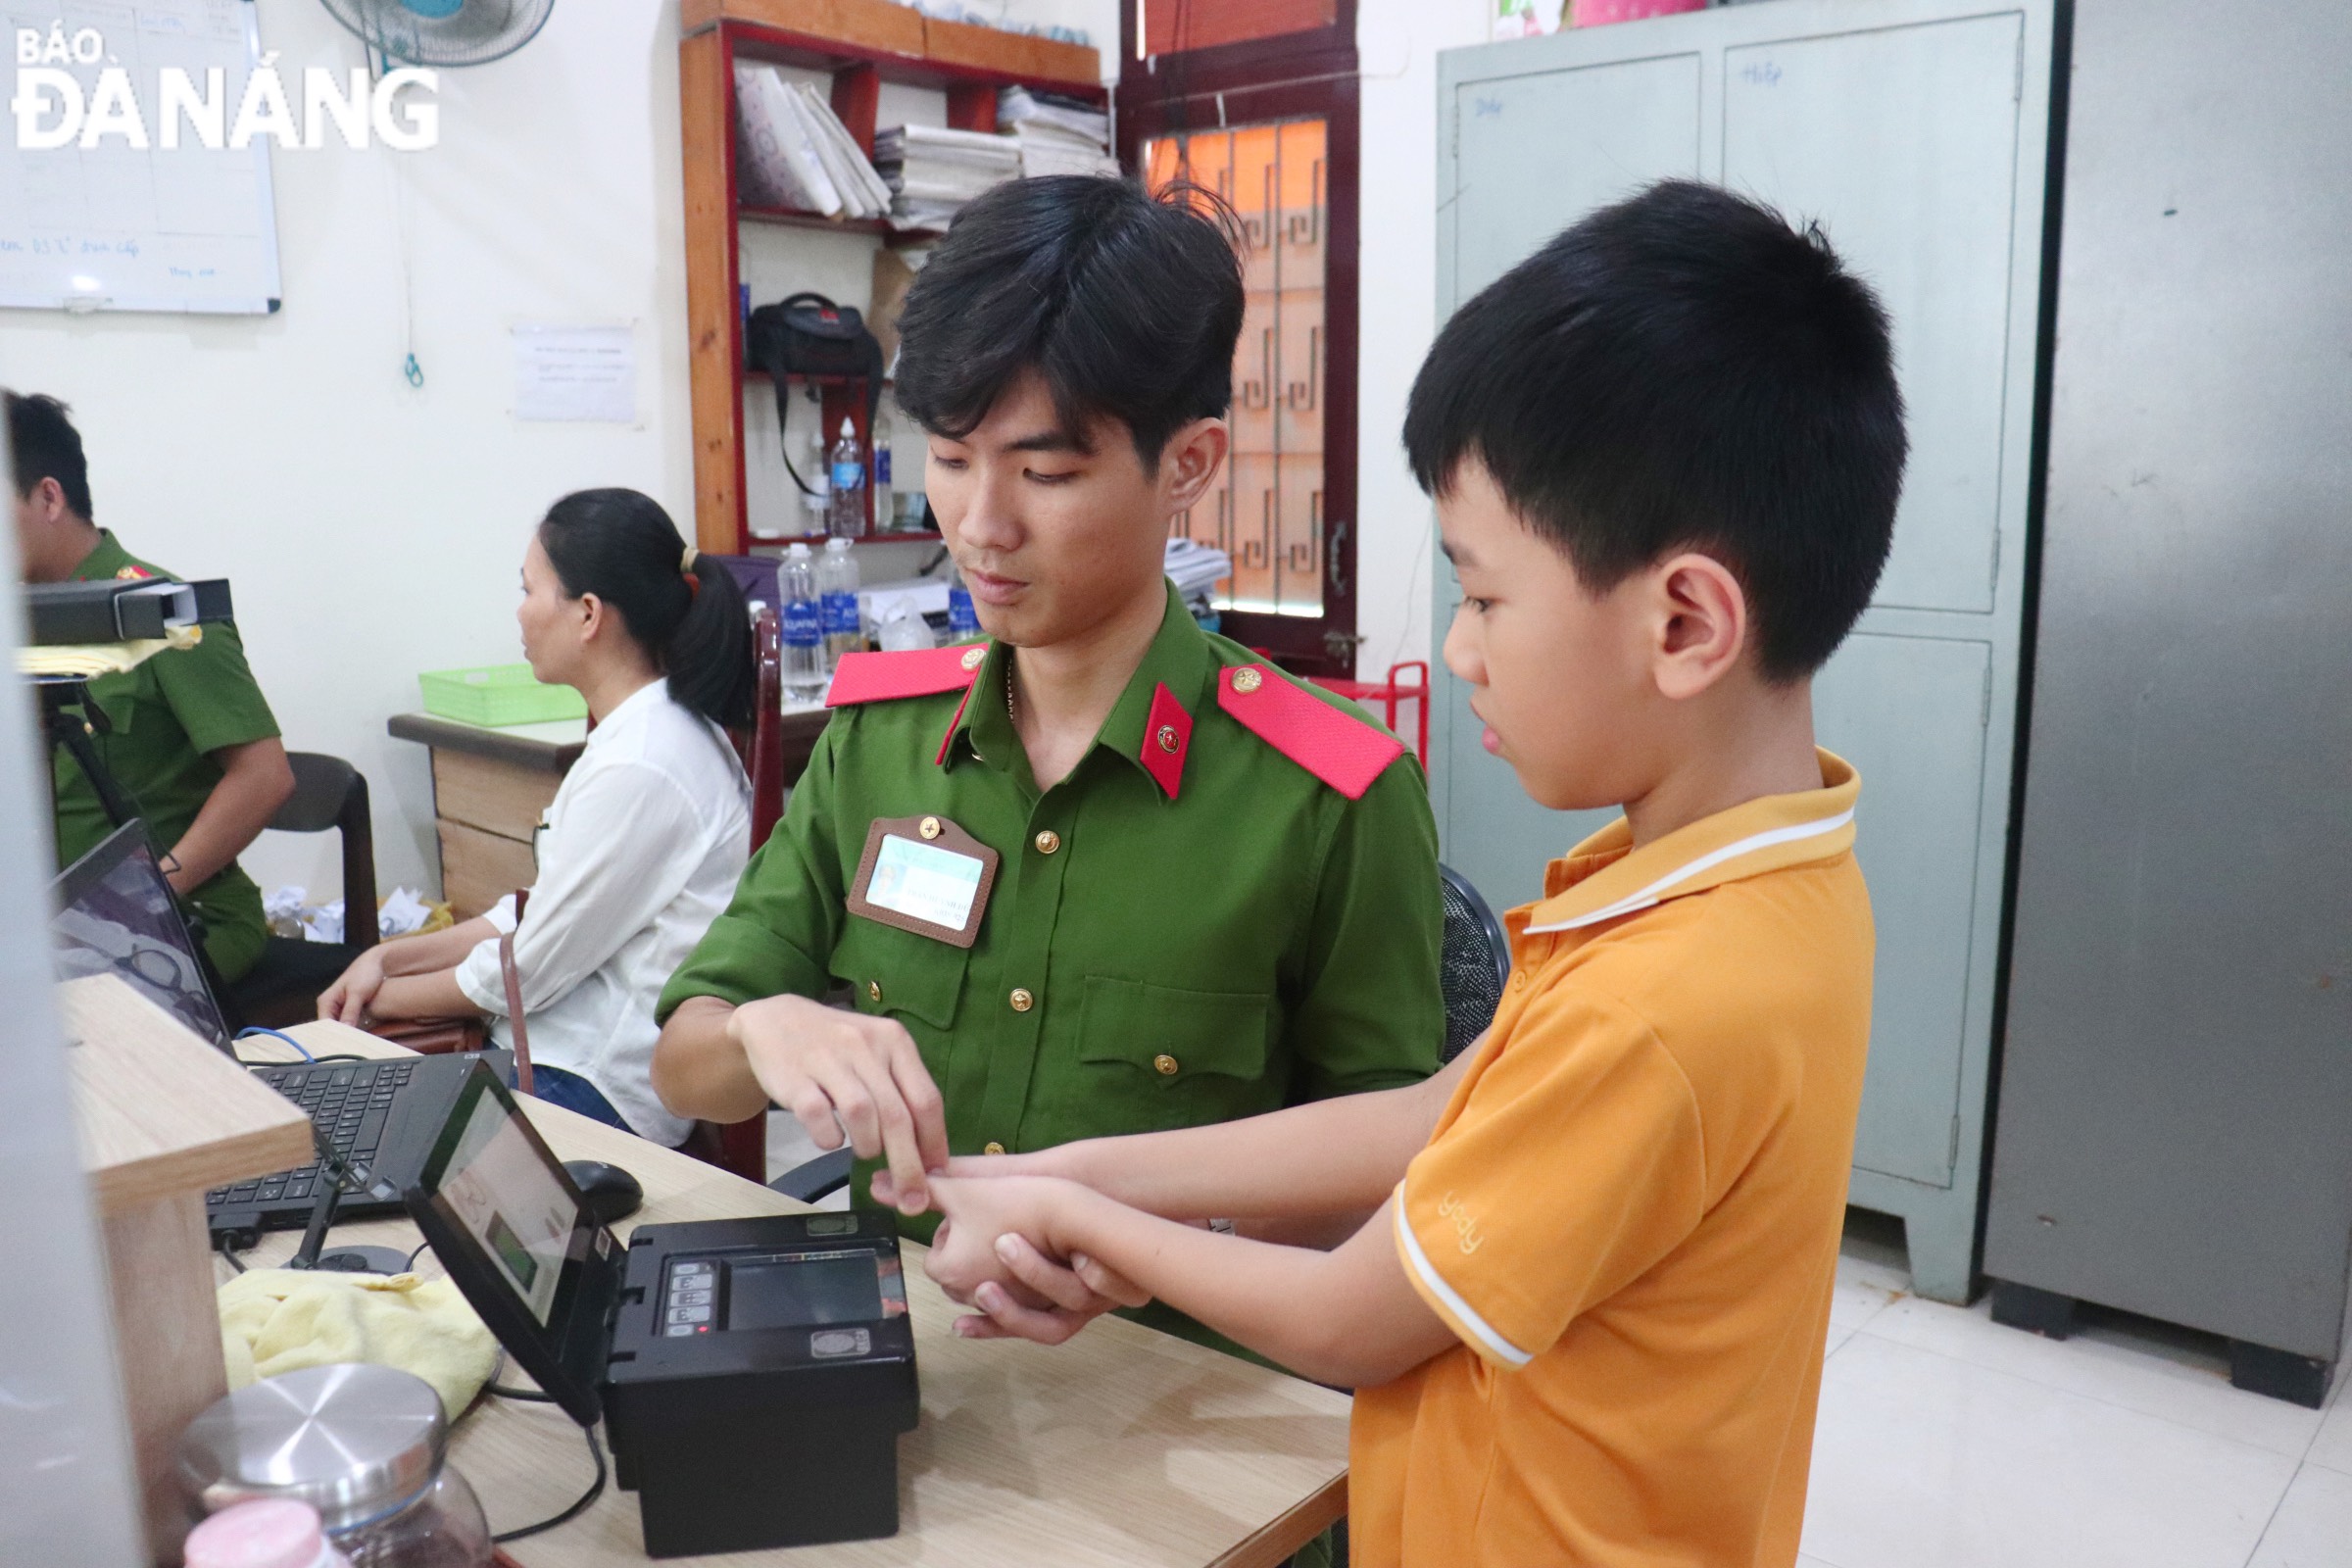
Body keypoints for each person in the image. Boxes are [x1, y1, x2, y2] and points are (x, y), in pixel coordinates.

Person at [892, 179, 1907, 1568]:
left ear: (1684, 621)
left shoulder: (1666, 1000)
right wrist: (1082, 1173)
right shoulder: (1735, 879)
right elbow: (1444, 1114)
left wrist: (1072, 1215)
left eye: (1484, 596)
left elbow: (1352, 1318)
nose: (1464, 648)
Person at [650, 174, 1445, 1345]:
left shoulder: (1330, 795)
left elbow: (1386, 1177)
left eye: (1049, 472)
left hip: (1187, 1394)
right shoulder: (878, 740)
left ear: (1190, 462)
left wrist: (1139, 1243)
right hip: (903, 1356)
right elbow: (683, 1066)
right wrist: (763, 1028)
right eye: (954, 457)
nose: (981, 524)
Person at [319, 489, 753, 1146]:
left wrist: (374, 999)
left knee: (348, 1127)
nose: (519, 614)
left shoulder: (645, 761)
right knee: (347, 1108)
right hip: (552, 1046)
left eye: (528, 590)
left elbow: (524, 973)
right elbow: (530, 913)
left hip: (598, 1084)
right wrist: (388, 958)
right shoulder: (637, 733)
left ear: (587, 614)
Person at [9, 390, 294, 983]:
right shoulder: (17, 623)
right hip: (44, 928)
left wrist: (150, 894)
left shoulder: (162, 613)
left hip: (178, 921)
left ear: (48, 496)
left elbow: (264, 777)